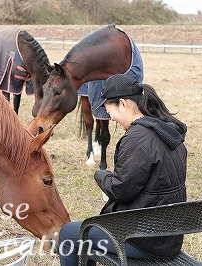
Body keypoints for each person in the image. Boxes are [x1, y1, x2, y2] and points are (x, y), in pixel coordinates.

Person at [58, 73, 187, 265]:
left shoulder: (138, 139)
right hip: (169, 237)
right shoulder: (168, 133)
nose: (110, 118)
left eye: (110, 112)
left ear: (123, 103)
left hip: (143, 240)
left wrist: (100, 175)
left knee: (69, 234)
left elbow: (120, 190)